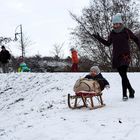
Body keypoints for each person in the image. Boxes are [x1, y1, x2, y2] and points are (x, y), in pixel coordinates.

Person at [92, 13, 140, 100]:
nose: (115, 25)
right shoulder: (112, 33)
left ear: (120, 23)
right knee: (123, 75)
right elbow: (107, 44)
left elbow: (135, 39)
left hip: (125, 56)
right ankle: (131, 90)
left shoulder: (126, 31)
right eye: (114, 24)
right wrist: (98, 38)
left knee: (124, 74)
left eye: (117, 23)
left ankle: (124, 94)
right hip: (116, 57)